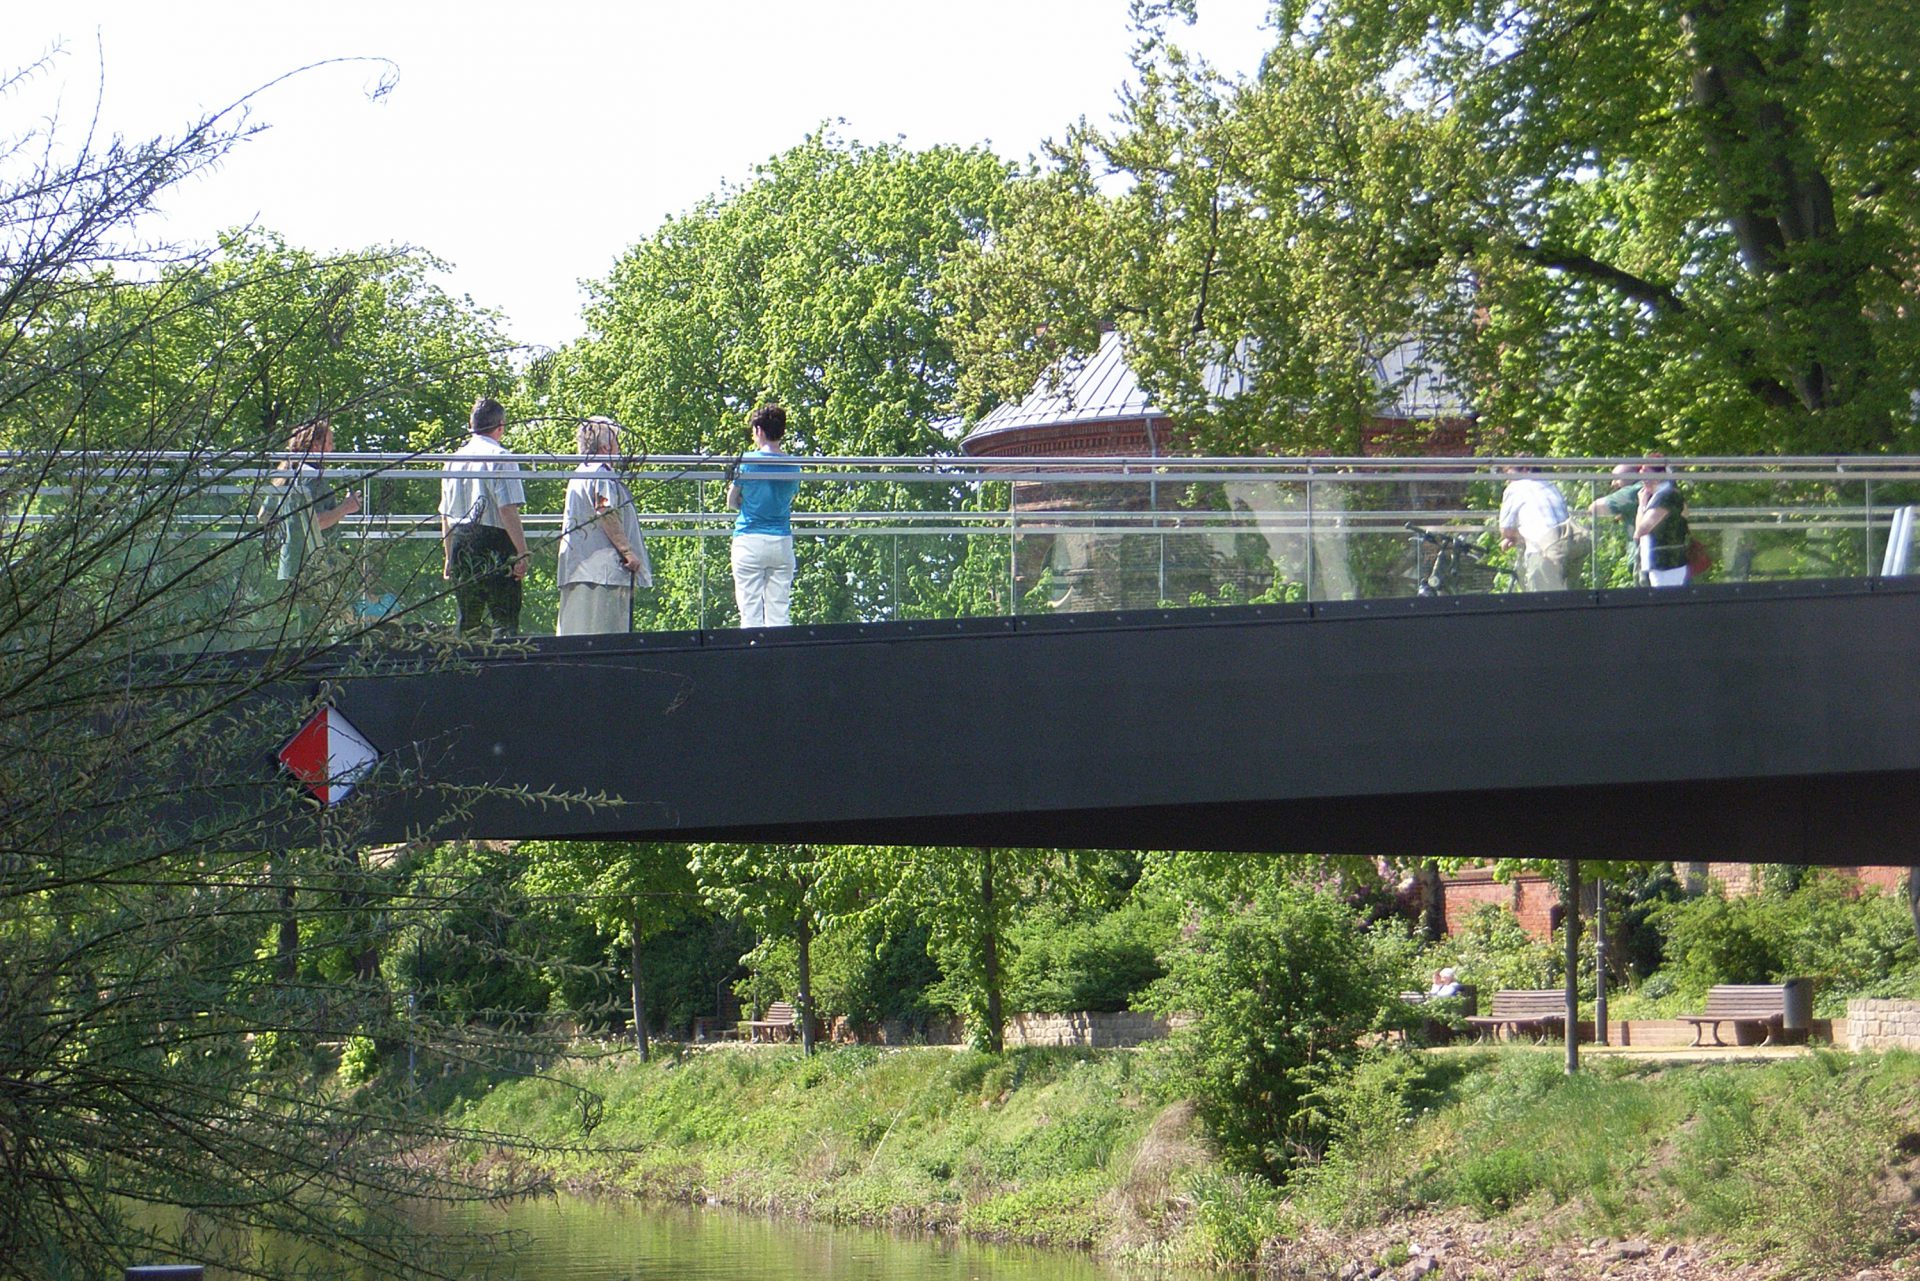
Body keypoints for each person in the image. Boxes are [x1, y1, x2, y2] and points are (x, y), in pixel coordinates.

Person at [439, 396, 529, 637]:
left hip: (460, 540)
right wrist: (521, 550)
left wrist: (449, 556)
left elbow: (446, 515)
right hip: (494, 540)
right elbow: (507, 508)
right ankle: (504, 670)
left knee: (468, 620)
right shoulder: (502, 457)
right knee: (504, 618)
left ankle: (465, 670)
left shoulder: (453, 461)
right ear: (500, 426)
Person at [556, 416, 651, 636]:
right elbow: (605, 510)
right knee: (603, 637)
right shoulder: (601, 473)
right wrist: (628, 552)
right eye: (617, 443)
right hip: (601, 574)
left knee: (575, 635)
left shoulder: (580, 473)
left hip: (580, 570)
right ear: (607, 446)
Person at [261, 416, 360, 622]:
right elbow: (316, 522)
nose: (332, 449)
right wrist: (345, 507)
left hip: (290, 563)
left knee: (301, 626)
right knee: (315, 628)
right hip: (315, 566)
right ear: (316, 446)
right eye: (329, 443)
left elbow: (263, 515)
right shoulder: (312, 479)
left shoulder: (286, 476)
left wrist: (289, 534)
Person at [726, 403, 801, 628]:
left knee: (749, 612)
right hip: (781, 541)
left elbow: (731, 501)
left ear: (759, 430)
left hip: (749, 539)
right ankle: (781, 659)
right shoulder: (794, 466)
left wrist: (744, 501)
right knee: (779, 611)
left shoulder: (747, 461)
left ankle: (753, 658)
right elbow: (788, 498)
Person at [1498, 467, 1572, 591]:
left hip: (1542, 550)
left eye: (1509, 473)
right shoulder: (1550, 485)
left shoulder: (1516, 487)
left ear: (1525, 470)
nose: (1507, 480)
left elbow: (1506, 529)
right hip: (1569, 547)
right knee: (1568, 601)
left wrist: (1515, 537)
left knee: (1541, 602)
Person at [1635, 463, 1692, 588]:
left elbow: (1641, 530)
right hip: (1661, 564)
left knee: (1666, 603)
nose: (1644, 481)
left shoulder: (1666, 496)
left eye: (1647, 476)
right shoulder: (1666, 495)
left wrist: (1641, 505)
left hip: (1666, 565)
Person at [1589, 462, 1646, 582]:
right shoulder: (1653, 487)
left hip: (1643, 558)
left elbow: (1594, 508)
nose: (1613, 484)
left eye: (1616, 479)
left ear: (1630, 477)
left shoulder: (1632, 491)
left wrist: (1617, 509)